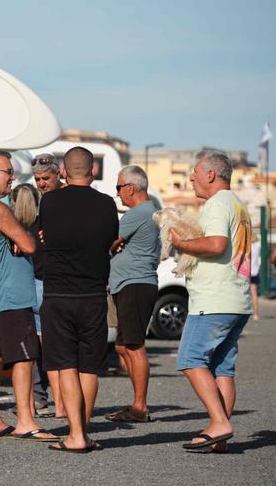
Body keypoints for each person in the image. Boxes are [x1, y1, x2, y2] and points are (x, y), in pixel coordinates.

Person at [0, 149, 56, 442]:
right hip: (10, 295)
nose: (12, 178)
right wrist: (21, 237)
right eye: (8, 172)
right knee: (24, 356)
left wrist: (16, 238)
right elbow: (29, 244)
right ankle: (26, 421)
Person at [171, 150, 252, 453]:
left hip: (214, 300)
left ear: (210, 175)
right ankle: (221, 438)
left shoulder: (217, 203)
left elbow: (217, 244)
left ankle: (219, 423)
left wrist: (181, 244)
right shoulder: (237, 204)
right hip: (237, 299)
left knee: (191, 361)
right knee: (222, 369)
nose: (190, 177)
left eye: (194, 172)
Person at [40, 146, 118, 453]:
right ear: (93, 170)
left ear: (62, 171)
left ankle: (75, 435)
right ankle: (82, 431)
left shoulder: (50, 200)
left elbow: (46, 233)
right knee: (89, 367)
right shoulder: (107, 203)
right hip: (93, 294)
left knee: (67, 366)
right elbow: (110, 239)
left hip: (58, 293)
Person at [105, 166, 160, 423]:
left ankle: (140, 406)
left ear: (130, 187)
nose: (117, 194)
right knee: (123, 346)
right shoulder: (149, 213)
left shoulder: (137, 213)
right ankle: (137, 403)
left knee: (135, 347)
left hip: (134, 285)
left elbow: (109, 242)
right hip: (131, 284)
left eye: (118, 188)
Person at [29, 155, 67, 419]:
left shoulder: (66, 201)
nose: (42, 183)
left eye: (46, 178)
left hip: (60, 281)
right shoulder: (38, 202)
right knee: (39, 344)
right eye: (38, 179)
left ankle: (63, 402)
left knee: (57, 344)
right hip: (38, 277)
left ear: (59, 175)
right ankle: (41, 396)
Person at [9, 183, 51, 418]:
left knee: (29, 350)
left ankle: (37, 397)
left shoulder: (14, 229)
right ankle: (60, 398)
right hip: (47, 287)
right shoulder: (44, 227)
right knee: (49, 348)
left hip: (26, 286)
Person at [250, 233, 262, 320]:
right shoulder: (257, 247)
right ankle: (256, 314)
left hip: (246, 272)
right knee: (254, 294)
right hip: (255, 271)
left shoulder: (248, 247)